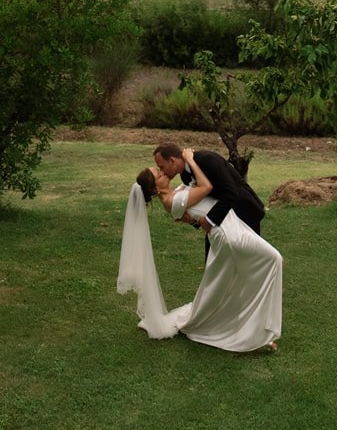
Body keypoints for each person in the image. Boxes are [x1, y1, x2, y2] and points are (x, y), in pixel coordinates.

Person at [117, 148, 282, 353]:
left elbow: (201, 202)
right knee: (272, 260)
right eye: (158, 173)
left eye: (160, 169)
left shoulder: (177, 190)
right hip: (227, 235)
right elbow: (206, 187)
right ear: (155, 189)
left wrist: (194, 217)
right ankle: (257, 332)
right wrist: (190, 160)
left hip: (232, 226)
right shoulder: (173, 200)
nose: (163, 173)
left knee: (242, 277)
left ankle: (255, 329)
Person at [153, 141, 265, 256]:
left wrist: (209, 221)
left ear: (172, 160)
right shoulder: (185, 176)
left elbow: (231, 192)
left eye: (161, 167)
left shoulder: (207, 160)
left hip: (244, 212)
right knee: (213, 261)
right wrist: (194, 221)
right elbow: (206, 204)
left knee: (248, 261)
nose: (162, 172)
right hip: (221, 222)